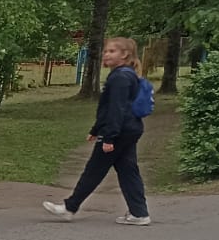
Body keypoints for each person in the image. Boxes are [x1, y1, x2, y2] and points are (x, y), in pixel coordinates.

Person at [44, 37, 151, 225]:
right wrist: (96, 129)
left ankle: (69, 208)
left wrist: (108, 137)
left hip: (119, 132)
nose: (106, 55)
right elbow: (110, 107)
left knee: (94, 170)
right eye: (106, 51)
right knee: (128, 171)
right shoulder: (127, 75)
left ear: (124, 55)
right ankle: (139, 213)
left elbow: (116, 110)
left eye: (112, 51)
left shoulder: (120, 77)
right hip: (129, 129)